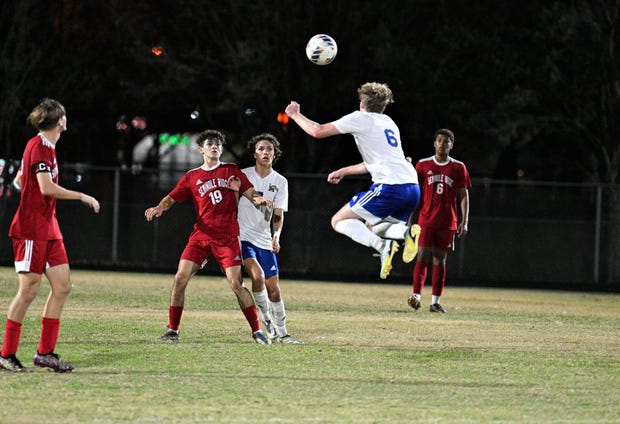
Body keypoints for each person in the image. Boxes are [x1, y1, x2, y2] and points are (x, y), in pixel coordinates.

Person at [0, 98, 101, 373]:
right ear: (60, 121)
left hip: (49, 228)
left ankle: (45, 353)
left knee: (62, 286)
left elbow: (21, 179)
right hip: (31, 230)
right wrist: (81, 195)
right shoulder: (39, 146)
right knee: (28, 290)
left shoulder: (47, 147)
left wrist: (26, 187)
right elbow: (46, 188)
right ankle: (6, 355)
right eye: (64, 115)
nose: (67, 119)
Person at [144, 129, 274, 344]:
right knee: (179, 279)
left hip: (227, 238)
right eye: (210, 144)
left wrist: (258, 200)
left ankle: (257, 330)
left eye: (218, 145)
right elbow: (171, 197)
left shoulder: (231, 170)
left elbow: (250, 192)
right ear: (201, 149)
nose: (215, 147)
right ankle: (173, 330)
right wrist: (160, 208)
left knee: (236, 283)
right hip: (201, 237)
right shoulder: (192, 176)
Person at [285, 82, 421, 279]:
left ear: (362, 104)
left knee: (339, 220)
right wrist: (344, 171)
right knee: (373, 227)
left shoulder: (360, 118)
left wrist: (294, 114)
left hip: (390, 187)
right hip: (411, 187)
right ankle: (405, 233)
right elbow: (374, 162)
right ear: (383, 106)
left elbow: (318, 131)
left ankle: (382, 246)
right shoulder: (389, 122)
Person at [237, 133, 302, 344]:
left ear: (275, 153)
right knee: (257, 275)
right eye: (261, 149)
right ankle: (267, 321)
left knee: (274, 289)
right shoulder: (243, 176)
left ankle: (283, 333)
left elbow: (278, 215)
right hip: (243, 236)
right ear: (254, 153)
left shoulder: (280, 181)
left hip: (264, 239)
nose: (266, 152)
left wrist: (276, 237)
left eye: (269, 149)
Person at [407, 128, 471, 313]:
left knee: (440, 260)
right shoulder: (423, 165)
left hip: (447, 221)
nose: (443, 143)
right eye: (440, 140)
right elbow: (415, 194)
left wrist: (464, 221)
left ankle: (435, 302)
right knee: (422, 256)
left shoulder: (459, 167)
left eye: (447, 140)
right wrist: (411, 218)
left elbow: (463, 195)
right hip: (426, 219)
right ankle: (416, 297)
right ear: (434, 143)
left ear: (452, 145)